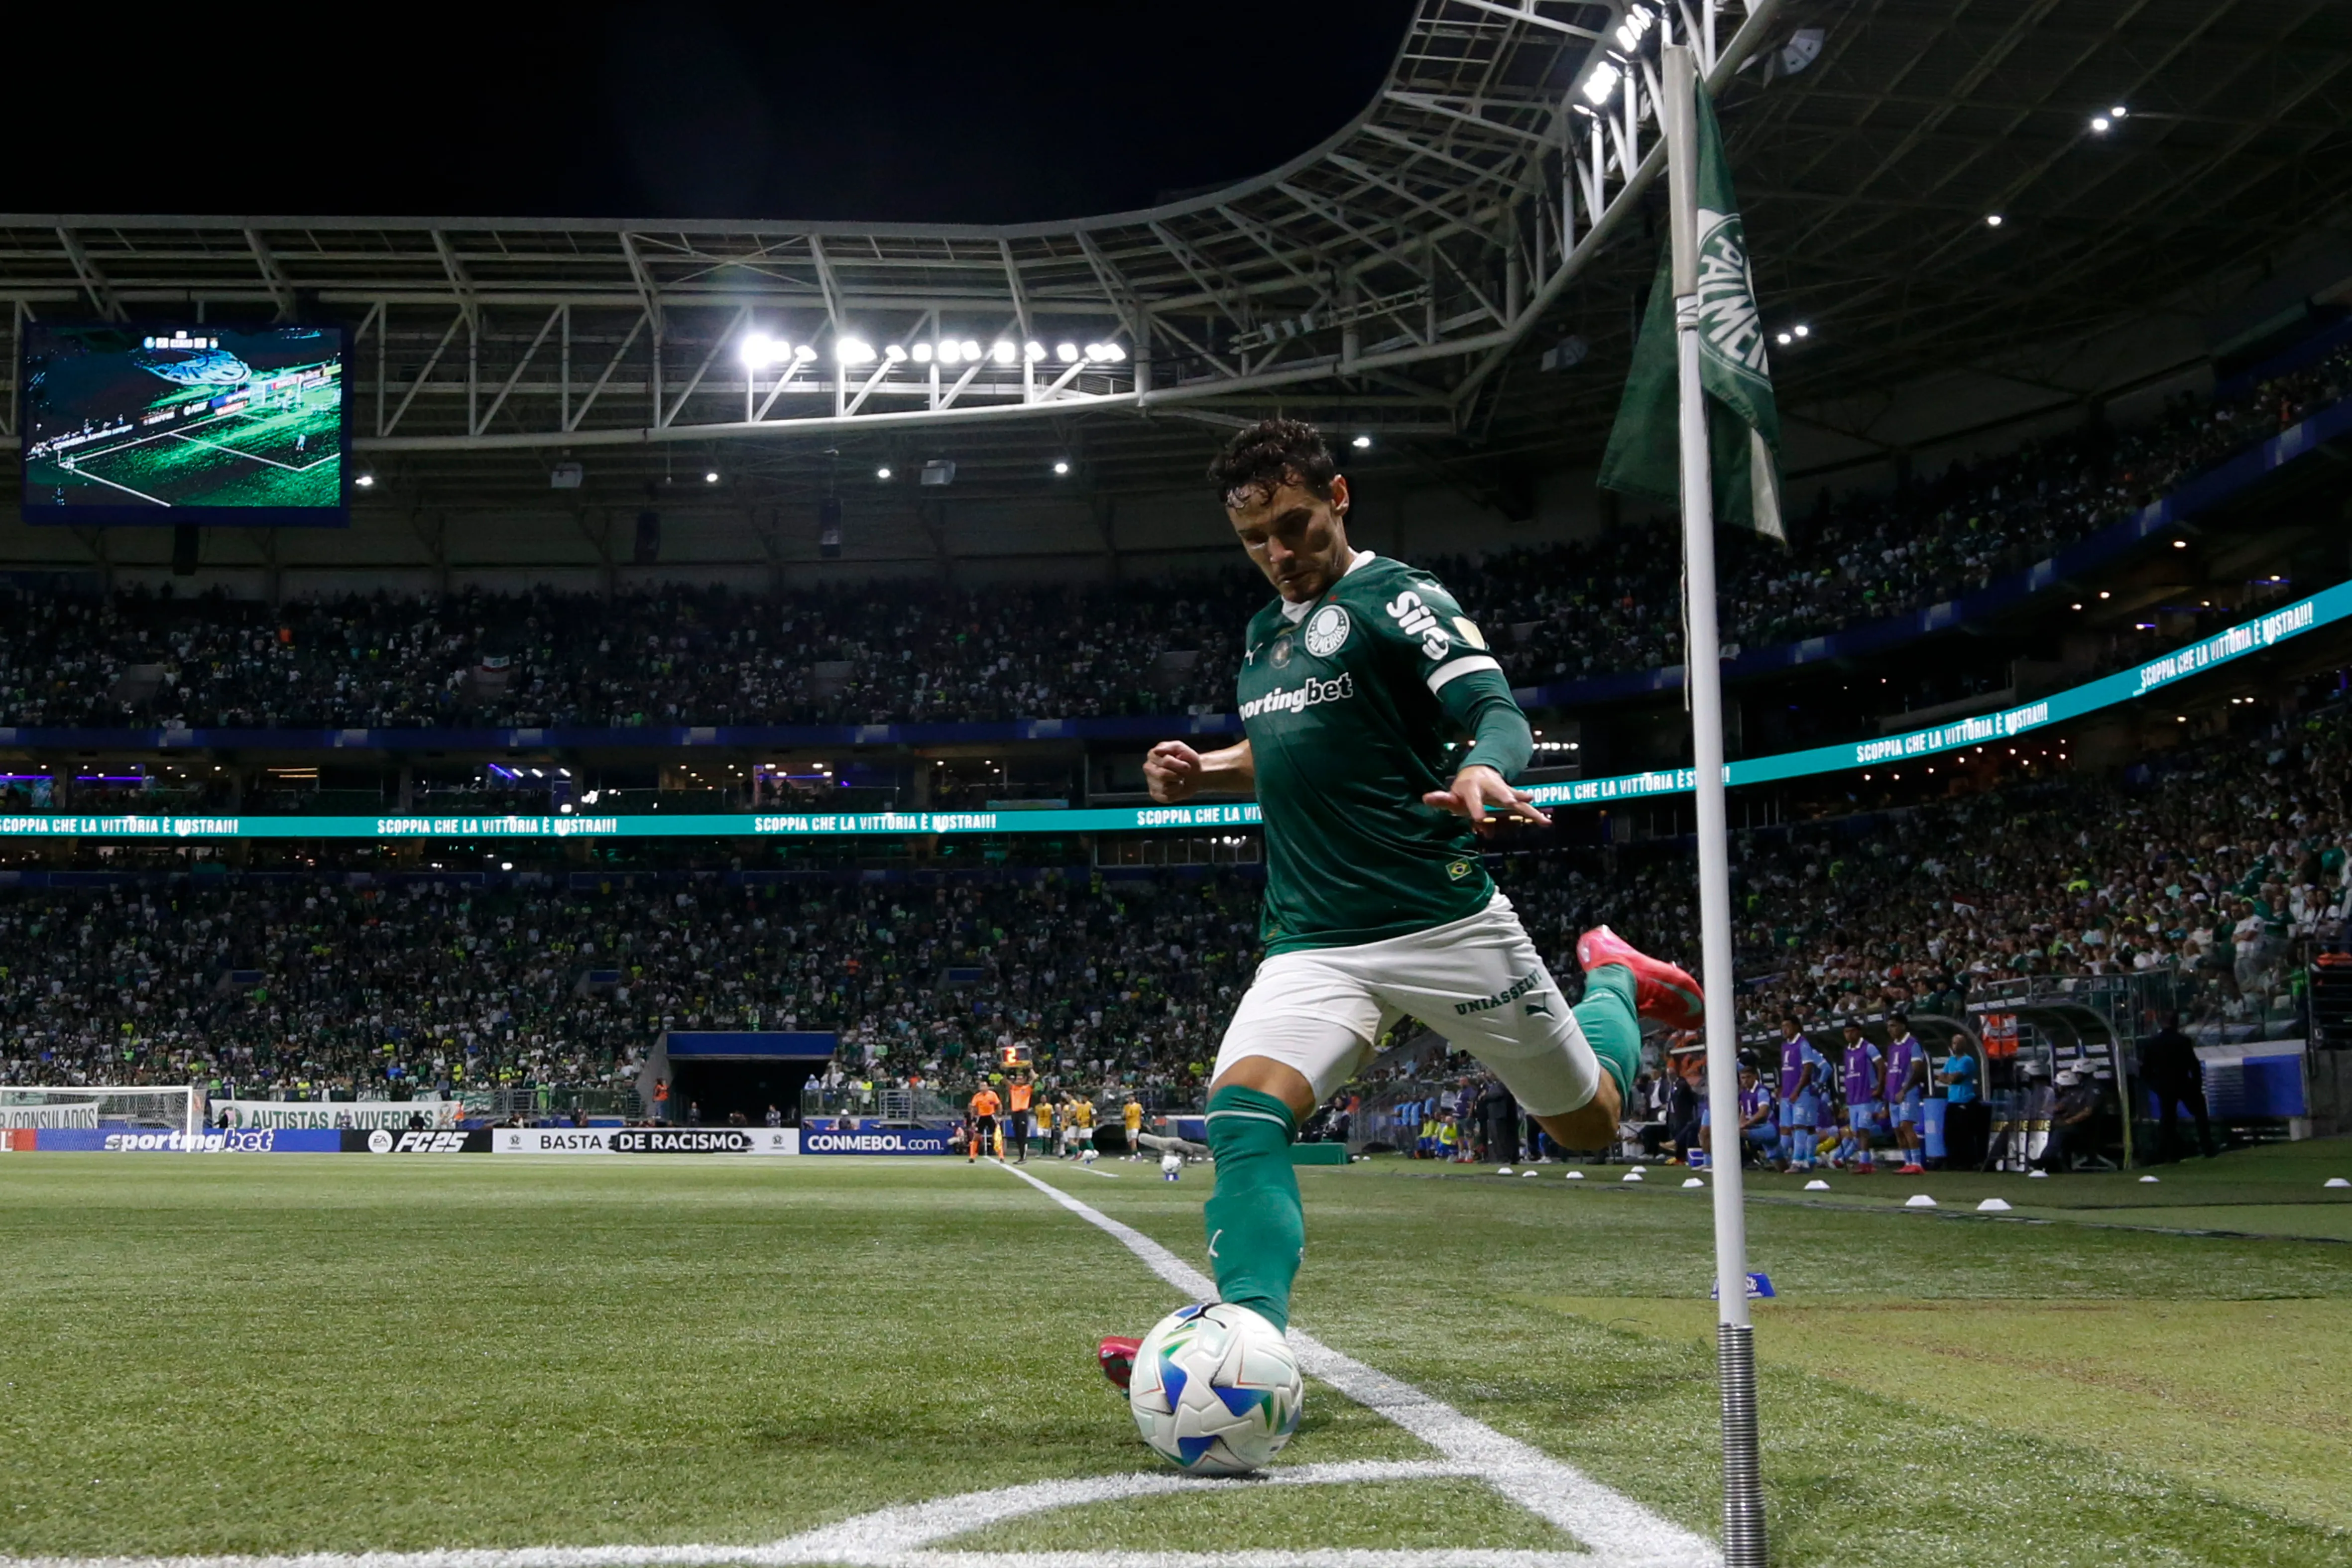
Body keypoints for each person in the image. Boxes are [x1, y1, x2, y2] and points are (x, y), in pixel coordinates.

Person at [1096, 418, 1701, 1402]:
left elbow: (1497, 711)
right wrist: (1206, 763)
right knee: (1243, 1112)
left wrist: (1481, 766)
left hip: (1444, 922)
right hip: (1314, 939)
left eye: (1294, 526)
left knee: (1589, 1125)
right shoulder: (1264, 634)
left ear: (1339, 497)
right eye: (1255, 539)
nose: (1278, 555)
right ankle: (1244, 1343)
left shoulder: (1401, 597)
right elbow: (1291, 739)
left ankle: (1611, 978)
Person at [2140, 1011, 2215, 1159]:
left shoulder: (2153, 1043)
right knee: (2200, 1113)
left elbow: (2146, 1070)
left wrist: (2156, 1086)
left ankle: (2169, 1152)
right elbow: (2194, 1065)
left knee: (2168, 1119)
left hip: (2165, 1084)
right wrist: (2197, 1084)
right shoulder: (2183, 1041)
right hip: (2183, 1081)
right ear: (2176, 1023)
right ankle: (2207, 1147)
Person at [1775, 1016, 1826, 1172]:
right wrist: (1782, 1088)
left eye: (1788, 1026)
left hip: (1801, 1092)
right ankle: (1784, 1159)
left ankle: (1799, 1161)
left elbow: (1808, 1069)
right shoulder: (1785, 1046)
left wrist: (1798, 1090)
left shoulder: (1803, 1044)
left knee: (1800, 1126)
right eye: (1782, 1026)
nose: (1784, 1030)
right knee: (1785, 1128)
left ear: (1797, 1027)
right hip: (1787, 1093)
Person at [1882, 1012, 1928, 1175]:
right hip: (1893, 1094)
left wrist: (1905, 1089)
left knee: (1906, 1126)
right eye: (1888, 1026)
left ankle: (1917, 1164)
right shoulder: (1892, 1046)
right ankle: (1908, 1163)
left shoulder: (1913, 1044)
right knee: (1897, 1130)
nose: (1890, 1029)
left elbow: (1918, 1069)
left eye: (1893, 1025)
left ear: (1903, 1025)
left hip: (1908, 1092)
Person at [1837, 1021, 1884, 1174]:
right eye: (1846, 1032)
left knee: (1864, 1130)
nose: (1849, 1035)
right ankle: (1851, 1159)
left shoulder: (1868, 1047)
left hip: (1867, 1096)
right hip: (1853, 1098)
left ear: (1859, 1032)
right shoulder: (1847, 1051)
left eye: (1852, 1031)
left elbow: (1882, 1066)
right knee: (1856, 1132)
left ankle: (1865, 1164)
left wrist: (1880, 1088)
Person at [966, 1082, 1001, 1165]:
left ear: (988, 1087)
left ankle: (1001, 1156)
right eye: (981, 1086)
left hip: (991, 1116)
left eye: (984, 1086)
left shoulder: (993, 1095)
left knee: (996, 1136)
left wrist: (999, 1115)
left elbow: (999, 1105)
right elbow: (974, 1109)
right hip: (981, 1117)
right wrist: (973, 1120)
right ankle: (972, 1156)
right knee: (976, 1137)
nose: (983, 1087)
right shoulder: (977, 1096)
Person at [1006, 1071, 1036, 1165]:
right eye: (1017, 1078)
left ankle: (1023, 1157)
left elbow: (1034, 1078)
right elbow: (1005, 1081)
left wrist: (1030, 1069)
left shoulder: (1027, 1088)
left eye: (1020, 1078)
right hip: (1015, 1113)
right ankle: (1021, 1156)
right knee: (1018, 1136)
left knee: (1022, 1135)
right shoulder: (1014, 1088)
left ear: (1024, 1080)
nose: (1018, 1080)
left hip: (1022, 1113)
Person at [1122, 1092, 1144, 1159]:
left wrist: (1142, 1118)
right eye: (1129, 1097)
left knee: (1134, 1139)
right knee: (1130, 1142)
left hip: (1135, 1124)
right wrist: (1123, 1115)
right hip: (1128, 1125)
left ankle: (1133, 1155)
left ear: (1134, 1098)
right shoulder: (1126, 1107)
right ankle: (1137, 1152)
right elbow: (1123, 1116)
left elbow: (1142, 1113)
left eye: (1132, 1097)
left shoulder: (1138, 1106)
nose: (1130, 1099)